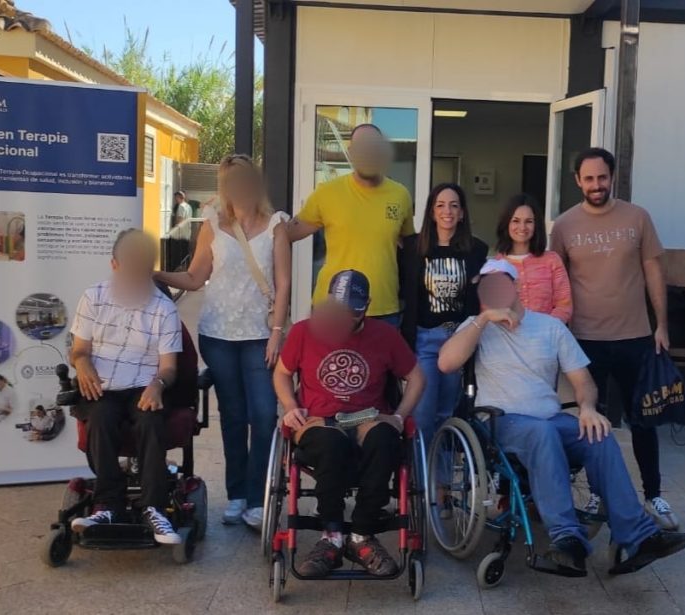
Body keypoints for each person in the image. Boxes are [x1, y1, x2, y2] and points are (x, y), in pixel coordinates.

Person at [437, 260, 685, 576]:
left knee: (598, 434)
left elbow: (583, 381)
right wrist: (484, 318)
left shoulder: (550, 327)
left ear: (516, 286)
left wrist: (587, 408)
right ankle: (567, 538)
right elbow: (446, 364)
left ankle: (640, 536)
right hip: (500, 421)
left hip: (550, 418)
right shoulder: (474, 326)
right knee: (541, 433)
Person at [155, 154, 290, 528]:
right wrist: (155, 274)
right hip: (218, 334)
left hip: (260, 335)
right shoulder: (213, 226)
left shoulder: (276, 225)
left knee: (263, 415)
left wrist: (277, 333)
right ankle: (237, 495)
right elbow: (195, 277)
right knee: (233, 416)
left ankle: (259, 497)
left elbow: (283, 285)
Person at [550, 147, 679, 530]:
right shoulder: (564, 226)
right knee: (592, 423)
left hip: (635, 336)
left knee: (644, 421)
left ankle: (653, 494)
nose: (596, 185)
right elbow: (555, 280)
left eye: (602, 177)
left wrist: (661, 325)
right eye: (589, 178)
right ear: (578, 181)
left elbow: (653, 271)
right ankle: (597, 494)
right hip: (584, 341)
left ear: (612, 177)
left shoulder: (637, 217)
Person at [273, 270, 426, 578]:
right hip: (319, 420)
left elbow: (416, 378)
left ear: (366, 306)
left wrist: (399, 416)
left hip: (367, 417)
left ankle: (361, 534)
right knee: (331, 444)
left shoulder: (384, 335)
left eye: (352, 311)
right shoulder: (304, 332)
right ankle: (331, 536)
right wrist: (290, 406)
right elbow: (282, 373)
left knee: (385, 440)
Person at [68, 229, 183, 545]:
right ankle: (109, 505)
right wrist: (82, 364)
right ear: (115, 265)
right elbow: (79, 350)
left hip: (144, 385)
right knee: (101, 417)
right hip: (102, 386)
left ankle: (153, 507)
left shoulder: (163, 308)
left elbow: (169, 367)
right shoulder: (93, 297)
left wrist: (158, 385)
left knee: (150, 420)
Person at [286, 124, 415, 326]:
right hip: (334, 308)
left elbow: (411, 246)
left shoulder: (401, 195)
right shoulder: (327, 193)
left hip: (384, 309)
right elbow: (285, 235)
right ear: (351, 152)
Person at [400, 183, 487, 444]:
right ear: (431, 212)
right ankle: (423, 469)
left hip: (457, 339)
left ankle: (443, 469)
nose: (447, 211)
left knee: (447, 414)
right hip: (425, 338)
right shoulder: (412, 248)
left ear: (462, 213)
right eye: (440, 205)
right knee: (423, 413)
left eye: (454, 205)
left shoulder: (476, 250)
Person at [494, 194, 572, 323]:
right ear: (506, 223)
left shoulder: (552, 260)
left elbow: (564, 306)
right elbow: (490, 310)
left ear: (536, 225)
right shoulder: (496, 265)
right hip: (508, 334)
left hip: (547, 333)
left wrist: (543, 329)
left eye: (529, 221)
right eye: (516, 221)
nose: (522, 227)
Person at [168, 190, 194, 267]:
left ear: (179, 197)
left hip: (180, 233)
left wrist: (173, 229)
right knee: (185, 250)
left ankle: (179, 267)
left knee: (179, 252)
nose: (175, 199)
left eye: (176, 197)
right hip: (187, 232)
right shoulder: (188, 206)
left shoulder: (181, 206)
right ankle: (187, 266)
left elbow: (180, 219)